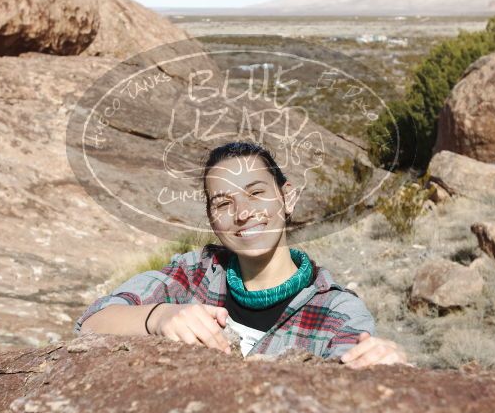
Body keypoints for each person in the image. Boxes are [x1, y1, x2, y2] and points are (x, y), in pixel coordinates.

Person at [75, 141, 408, 369]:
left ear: (287, 198)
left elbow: (351, 368)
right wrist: (160, 317)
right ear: (211, 219)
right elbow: (93, 322)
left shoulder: (336, 310)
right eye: (223, 203)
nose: (243, 212)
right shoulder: (194, 274)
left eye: (257, 193)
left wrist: (380, 361)